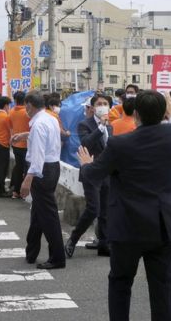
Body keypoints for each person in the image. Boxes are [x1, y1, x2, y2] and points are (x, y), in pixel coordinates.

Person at [78, 90, 171, 321]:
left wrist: (87, 164)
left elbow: (93, 175)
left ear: (136, 114)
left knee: (120, 283)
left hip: (127, 226)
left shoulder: (120, 144)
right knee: (161, 287)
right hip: (162, 225)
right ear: (163, 112)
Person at [15, 91, 66, 270]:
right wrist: (25, 135)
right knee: (38, 212)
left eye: (26, 107)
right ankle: (32, 251)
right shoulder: (50, 118)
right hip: (52, 167)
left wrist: (27, 179)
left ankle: (58, 257)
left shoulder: (38, 125)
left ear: (29, 105)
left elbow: (37, 156)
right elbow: (47, 141)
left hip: (42, 170)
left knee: (48, 216)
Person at [65, 94, 113, 258]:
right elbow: (87, 143)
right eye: (99, 103)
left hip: (107, 172)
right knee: (94, 208)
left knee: (105, 210)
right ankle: (73, 238)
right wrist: (101, 127)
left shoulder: (111, 127)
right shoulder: (85, 124)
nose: (102, 106)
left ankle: (104, 244)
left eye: (105, 103)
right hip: (91, 172)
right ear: (92, 108)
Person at [9, 91, 31, 199]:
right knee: (27, 169)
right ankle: (24, 192)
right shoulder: (27, 113)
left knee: (18, 168)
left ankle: (16, 191)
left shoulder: (11, 111)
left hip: (16, 143)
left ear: (15, 100)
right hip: (26, 144)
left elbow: (11, 126)